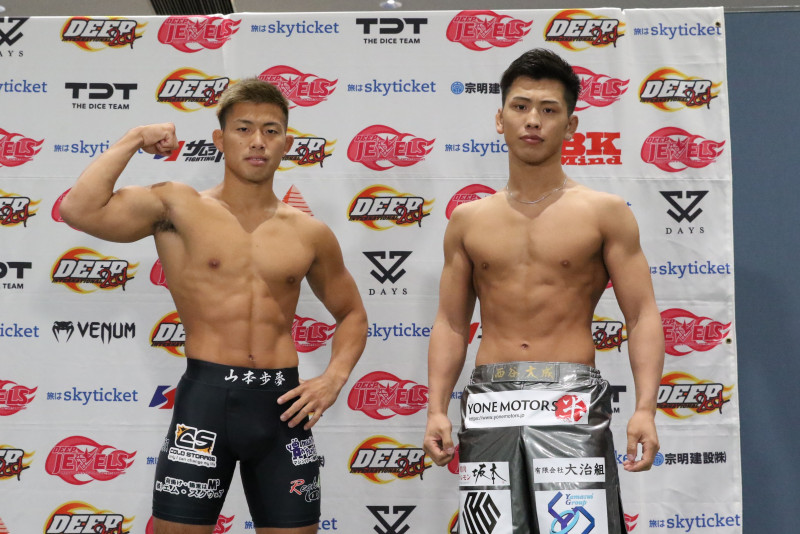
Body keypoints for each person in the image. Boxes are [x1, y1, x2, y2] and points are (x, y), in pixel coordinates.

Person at [60, 78, 368, 534]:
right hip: (205, 403)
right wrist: (135, 138)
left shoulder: (309, 233)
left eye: (271, 130)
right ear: (220, 140)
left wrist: (333, 379)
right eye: (243, 129)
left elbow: (352, 314)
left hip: (282, 407)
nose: (258, 141)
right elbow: (78, 210)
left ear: (286, 144)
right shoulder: (176, 207)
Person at [422, 49, 664, 533]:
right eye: (520, 106)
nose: (533, 120)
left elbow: (641, 315)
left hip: (571, 400)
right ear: (500, 119)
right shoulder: (468, 220)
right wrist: (435, 408)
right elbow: (450, 323)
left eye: (548, 110)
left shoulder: (604, 213)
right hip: (489, 403)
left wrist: (645, 408)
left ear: (570, 125)